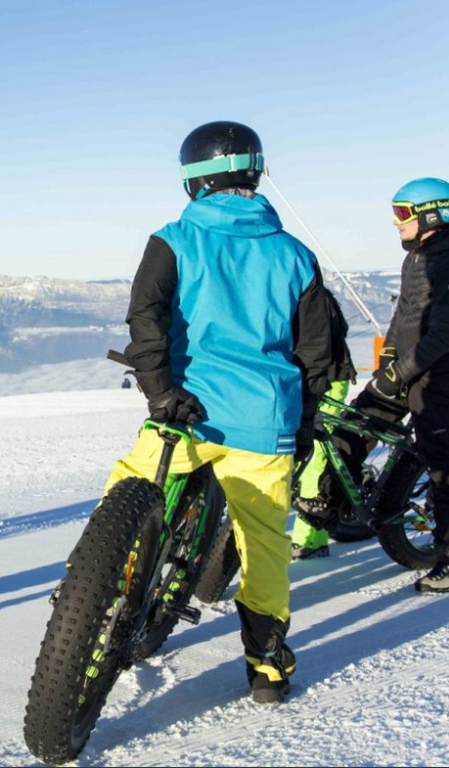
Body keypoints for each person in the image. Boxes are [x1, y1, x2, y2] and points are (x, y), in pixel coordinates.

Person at [111, 121, 333, 704]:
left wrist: (159, 389)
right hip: (264, 420)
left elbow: (145, 317)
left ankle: (102, 593)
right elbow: (316, 353)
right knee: (263, 543)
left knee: (130, 488)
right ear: (254, 174)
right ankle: (267, 664)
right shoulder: (295, 254)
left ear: (194, 180)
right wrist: (302, 426)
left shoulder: (173, 240)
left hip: (185, 411)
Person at [328, 178, 449, 593]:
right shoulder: (416, 257)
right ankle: (332, 505)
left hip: (439, 377)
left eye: (402, 213)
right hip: (408, 370)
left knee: (442, 469)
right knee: (356, 423)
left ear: (432, 214)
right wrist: (387, 365)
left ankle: (447, 558)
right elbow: (402, 318)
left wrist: (401, 372)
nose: (395, 222)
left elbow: (442, 334)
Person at [291, 288, 357, 560]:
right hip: (306, 382)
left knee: (314, 459)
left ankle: (311, 540)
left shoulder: (313, 296)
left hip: (328, 381)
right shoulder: (296, 292)